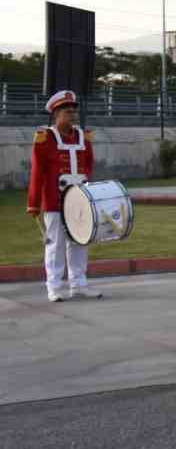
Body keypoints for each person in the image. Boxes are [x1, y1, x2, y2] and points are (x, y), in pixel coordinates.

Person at [26, 90, 100, 302]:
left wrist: (85, 184)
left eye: (73, 112)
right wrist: (33, 203)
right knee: (55, 245)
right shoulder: (45, 138)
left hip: (79, 201)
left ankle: (79, 283)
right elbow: (37, 170)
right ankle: (54, 287)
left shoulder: (82, 136)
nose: (72, 116)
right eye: (67, 112)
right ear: (56, 114)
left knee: (79, 242)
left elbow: (89, 163)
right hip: (54, 200)